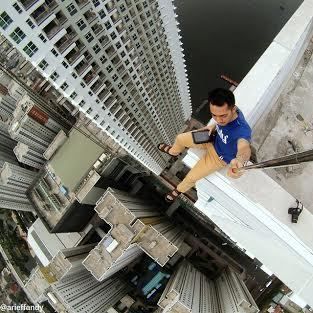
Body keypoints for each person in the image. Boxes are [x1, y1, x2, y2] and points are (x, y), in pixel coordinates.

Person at [158, 88, 252, 202]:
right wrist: (212, 126)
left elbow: (244, 147)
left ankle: (178, 190)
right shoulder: (226, 115)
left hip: (218, 157)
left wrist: (240, 160)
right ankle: (173, 152)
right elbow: (219, 122)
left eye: (223, 116)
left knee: (191, 177)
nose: (219, 119)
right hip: (211, 138)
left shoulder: (242, 130)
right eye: (214, 115)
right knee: (180, 138)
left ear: (233, 109)